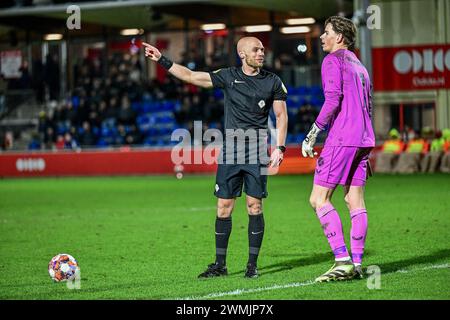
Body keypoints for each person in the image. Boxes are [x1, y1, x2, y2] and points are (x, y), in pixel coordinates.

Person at [142, 37, 288, 278]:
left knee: (254, 206)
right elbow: (190, 76)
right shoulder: (228, 76)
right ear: (242, 53)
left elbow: (281, 116)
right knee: (223, 207)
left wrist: (279, 148)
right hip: (230, 150)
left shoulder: (272, 81)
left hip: (256, 152)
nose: (262, 52)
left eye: (263, 48)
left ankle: (252, 265)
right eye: (256, 49)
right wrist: (162, 59)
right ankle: (220, 265)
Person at [300, 16, 375, 282]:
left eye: (327, 32)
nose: (322, 37)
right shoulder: (360, 66)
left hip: (343, 137)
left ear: (340, 37)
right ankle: (356, 262)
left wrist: (312, 133)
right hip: (364, 139)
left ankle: (341, 260)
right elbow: (368, 104)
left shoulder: (333, 61)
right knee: (354, 200)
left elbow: (332, 100)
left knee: (318, 199)